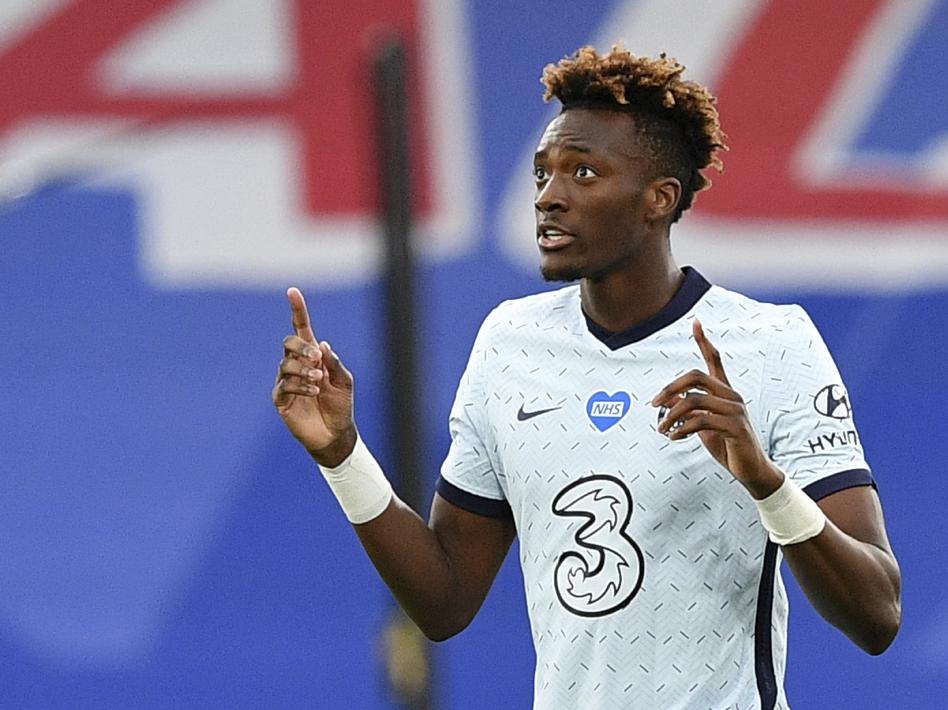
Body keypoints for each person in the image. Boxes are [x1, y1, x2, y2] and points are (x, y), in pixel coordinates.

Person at [273, 45, 900, 709]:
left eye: (582, 172)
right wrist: (341, 455)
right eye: (544, 173)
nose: (549, 197)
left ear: (658, 198)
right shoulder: (510, 343)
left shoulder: (771, 345)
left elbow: (875, 613)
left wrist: (763, 482)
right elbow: (443, 601)